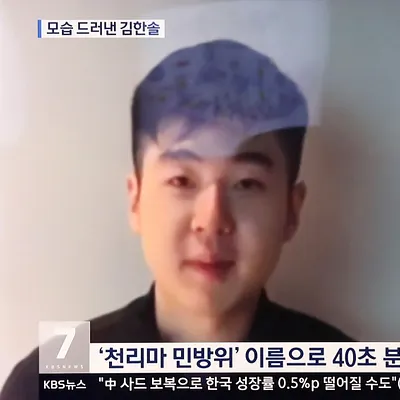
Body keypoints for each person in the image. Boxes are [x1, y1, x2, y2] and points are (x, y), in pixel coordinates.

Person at [0, 39, 352, 399]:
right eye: (182, 181)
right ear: (136, 200)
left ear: (291, 211)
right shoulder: (47, 380)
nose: (211, 220)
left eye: (246, 183)